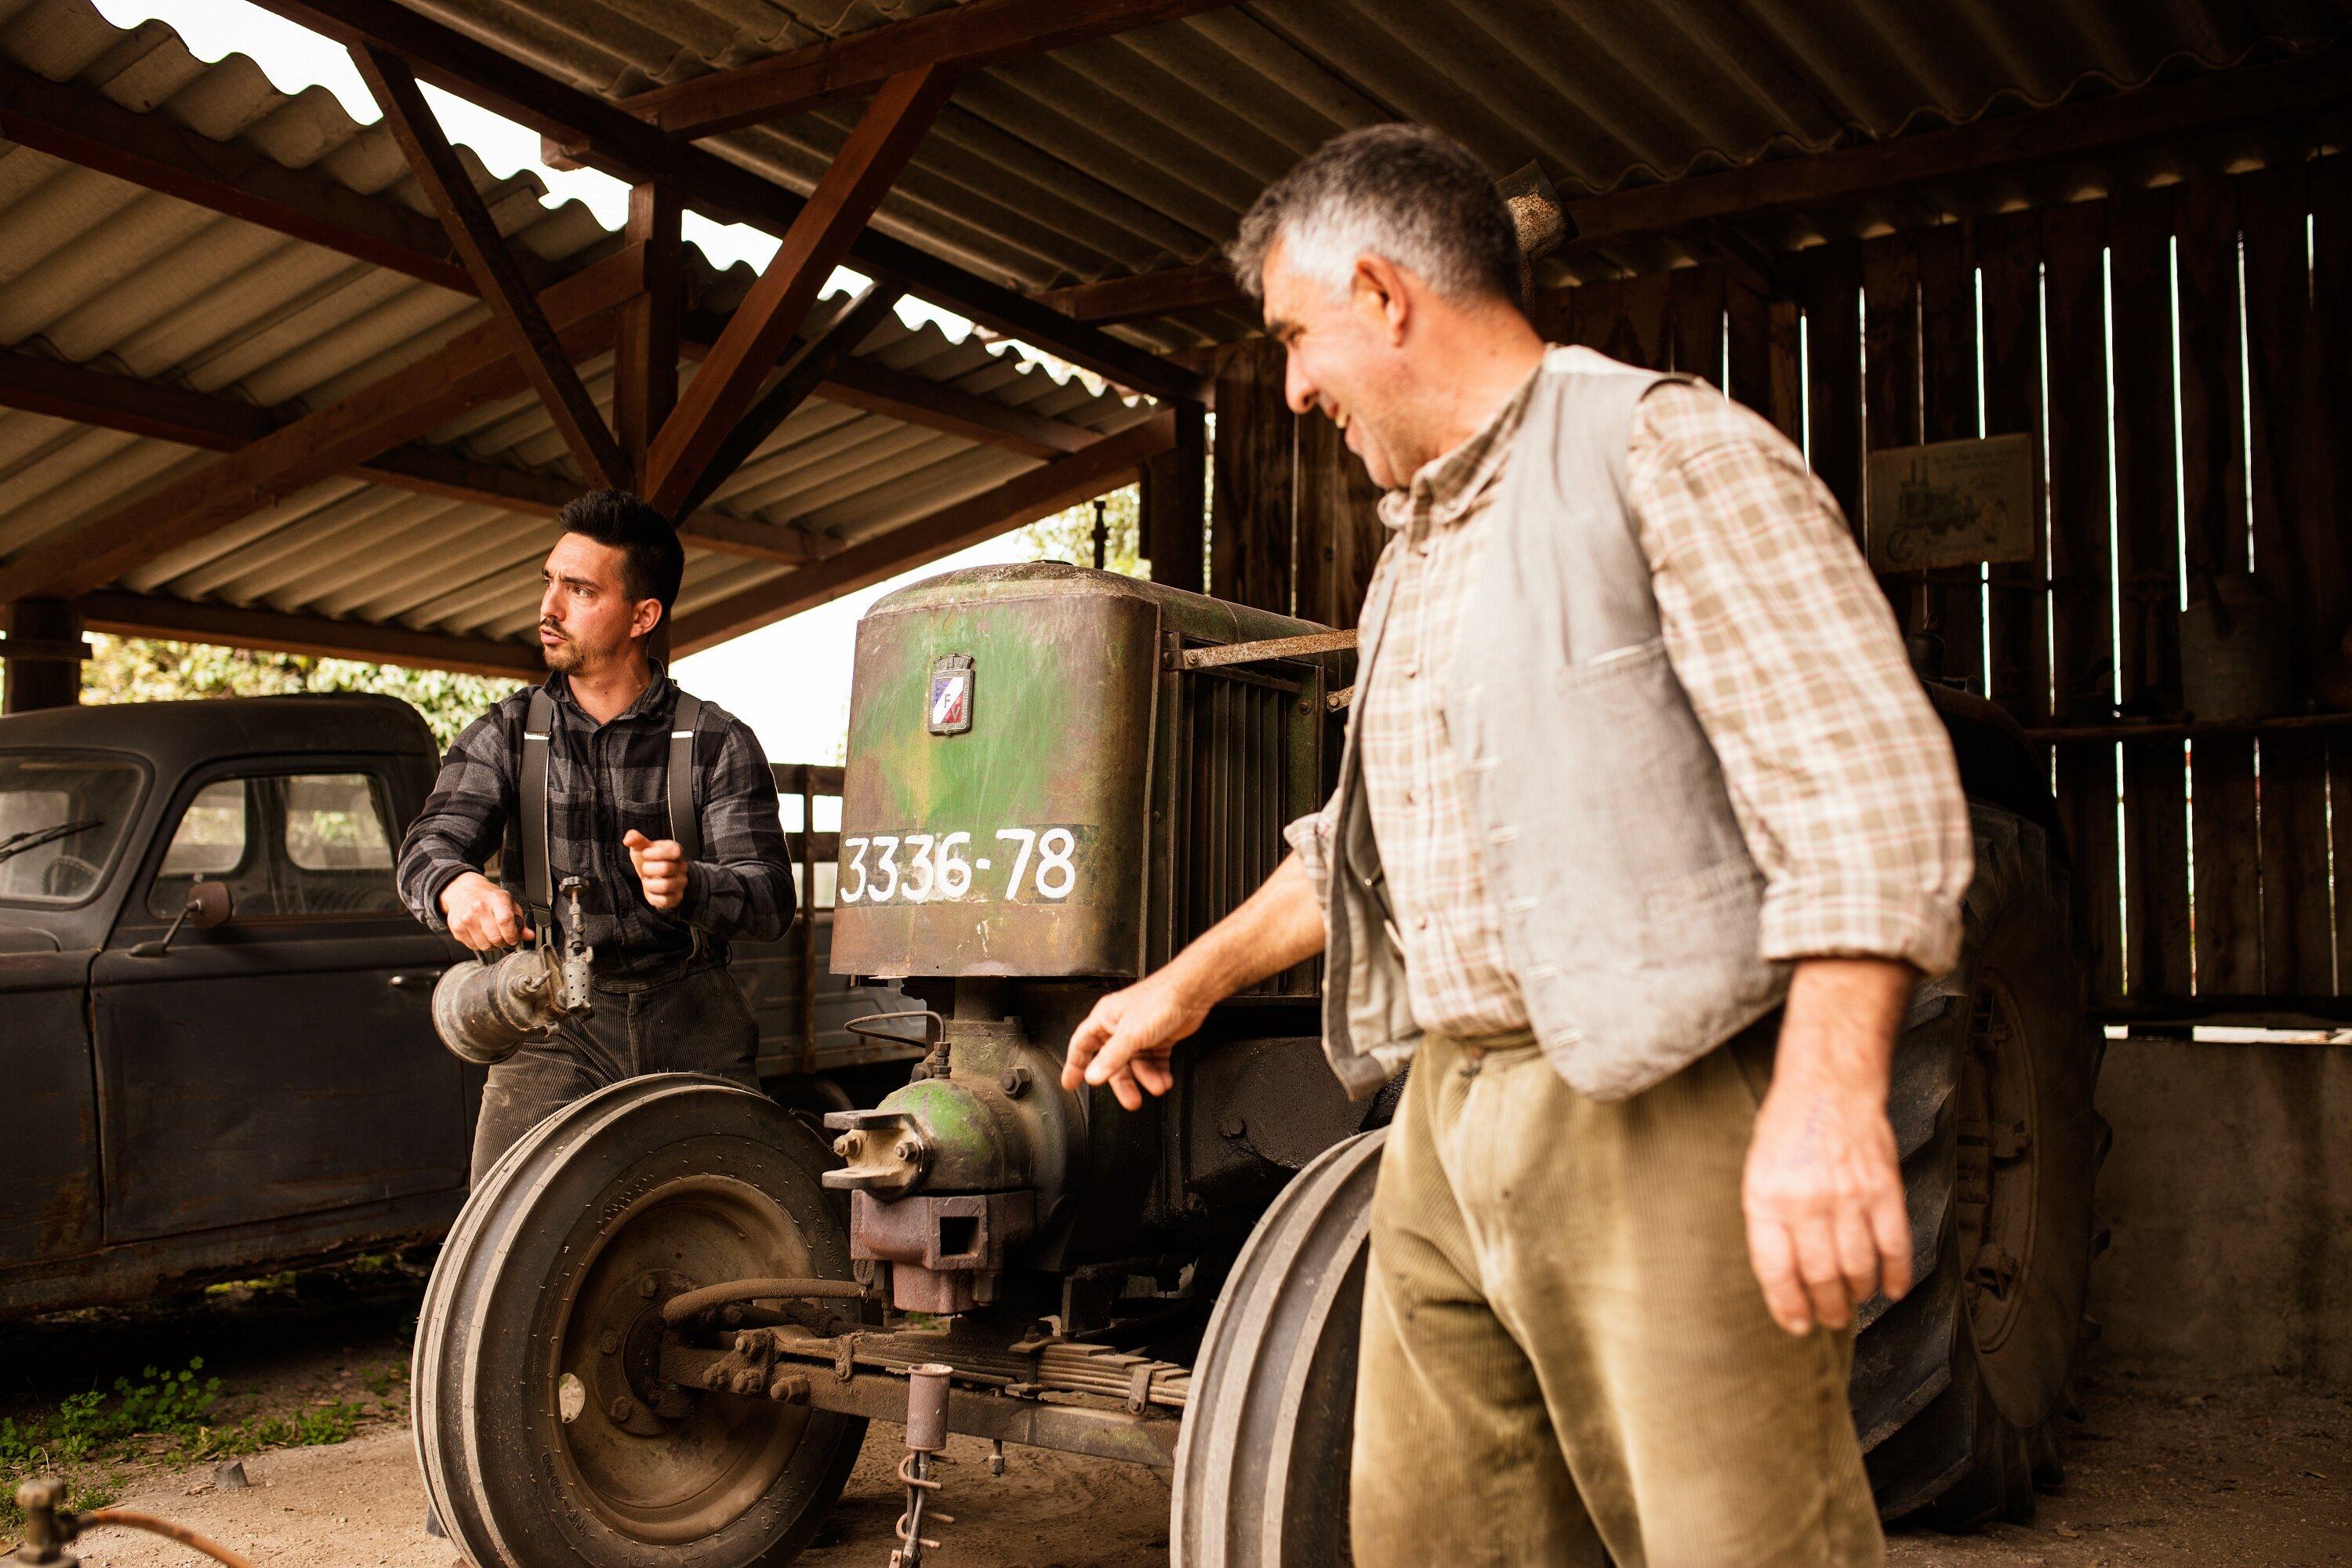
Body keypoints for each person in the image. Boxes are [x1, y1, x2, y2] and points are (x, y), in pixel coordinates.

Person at [1060, 126, 1974, 1567]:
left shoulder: (1661, 452)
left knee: (1738, 1544)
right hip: (1442, 1111)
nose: (1294, 386)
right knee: (1437, 1544)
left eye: (1297, 337)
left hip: (1654, 1111)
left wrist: (1827, 1095)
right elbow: (1361, 849)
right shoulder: (1414, 552)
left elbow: (1869, 788)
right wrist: (1190, 981)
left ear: (1381, 292)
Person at [397, 491, 794, 1182]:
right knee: (505, 1251)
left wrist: (694, 884)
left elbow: (770, 902)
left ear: (644, 616)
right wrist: (454, 884)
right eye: (549, 582)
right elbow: (428, 847)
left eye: (579, 590)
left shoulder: (715, 742)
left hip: (691, 1022)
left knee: (738, 1230)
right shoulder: (506, 735)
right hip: (550, 1029)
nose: (549, 608)